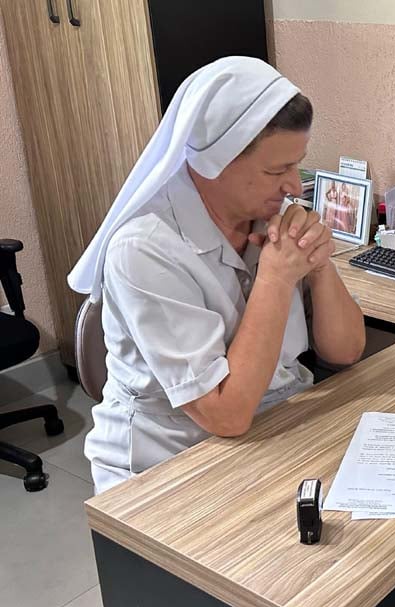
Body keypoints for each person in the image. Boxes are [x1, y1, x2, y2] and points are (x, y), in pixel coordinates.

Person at [70, 57, 366, 494]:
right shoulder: (145, 249)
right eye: (275, 171)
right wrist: (275, 279)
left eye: (296, 166)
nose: (294, 188)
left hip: (276, 427)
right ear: (215, 163)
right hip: (171, 460)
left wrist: (319, 265)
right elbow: (224, 415)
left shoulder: (271, 215)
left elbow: (346, 352)